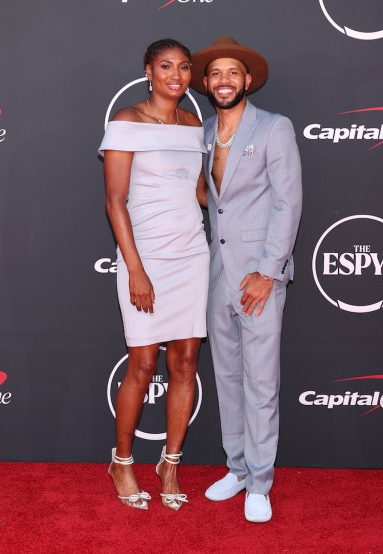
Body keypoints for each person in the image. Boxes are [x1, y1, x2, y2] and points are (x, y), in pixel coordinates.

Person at [191, 37, 302, 522]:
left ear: (247, 80)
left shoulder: (275, 128)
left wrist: (268, 272)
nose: (224, 81)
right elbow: (208, 201)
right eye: (216, 74)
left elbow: (287, 203)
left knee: (260, 382)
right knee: (228, 379)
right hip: (217, 277)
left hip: (259, 277)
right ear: (206, 84)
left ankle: (261, 480)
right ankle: (236, 468)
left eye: (232, 73)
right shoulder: (203, 132)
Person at [98, 38, 210, 511]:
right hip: (144, 258)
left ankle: (171, 462)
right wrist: (137, 270)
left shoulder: (193, 124)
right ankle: (122, 461)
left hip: (192, 254)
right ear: (148, 70)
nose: (176, 76)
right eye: (166, 66)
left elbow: (202, 193)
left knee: (185, 362)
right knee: (142, 365)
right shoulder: (125, 122)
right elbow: (115, 201)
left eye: (184, 68)